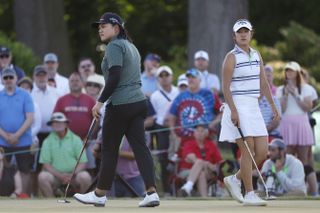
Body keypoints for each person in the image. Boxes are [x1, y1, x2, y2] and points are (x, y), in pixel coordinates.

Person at [73, 12, 159, 207]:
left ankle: (99, 194)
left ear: (116, 28)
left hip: (120, 104)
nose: (100, 29)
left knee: (109, 149)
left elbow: (114, 76)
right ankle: (151, 192)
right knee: (140, 148)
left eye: (104, 25)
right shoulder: (131, 47)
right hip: (138, 103)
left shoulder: (114, 46)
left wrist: (100, 101)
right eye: (99, 26)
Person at [219, 19, 279, 206]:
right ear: (234, 36)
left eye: (246, 31)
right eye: (240, 32)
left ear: (251, 34)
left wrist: (274, 107)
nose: (243, 34)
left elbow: (263, 83)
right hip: (237, 106)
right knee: (248, 150)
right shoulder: (231, 57)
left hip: (253, 107)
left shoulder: (256, 54)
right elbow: (225, 87)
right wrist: (234, 110)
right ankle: (250, 194)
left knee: (262, 152)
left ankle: (235, 179)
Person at [276, 61, 319, 196]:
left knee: (303, 159)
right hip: (287, 124)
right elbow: (281, 109)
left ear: (297, 73)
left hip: (301, 123)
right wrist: (286, 95)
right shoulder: (280, 89)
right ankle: (286, 187)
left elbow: (308, 107)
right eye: (287, 70)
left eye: (292, 71)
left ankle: (305, 188)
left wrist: (296, 94)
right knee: (286, 156)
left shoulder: (307, 88)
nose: (289, 73)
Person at [38, 112, 91, 197]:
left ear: (66, 124)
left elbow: (82, 162)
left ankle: (82, 200)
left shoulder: (76, 139)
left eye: (60, 122)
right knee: (42, 177)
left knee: (85, 177)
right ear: (51, 125)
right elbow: (46, 164)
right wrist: (60, 176)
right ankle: (51, 203)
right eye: (54, 122)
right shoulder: (47, 141)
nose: (57, 124)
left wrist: (72, 174)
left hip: (74, 175)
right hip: (55, 176)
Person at [0, 68, 35, 195]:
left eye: (11, 77)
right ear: (2, 80)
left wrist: (16, 135)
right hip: (2, 141)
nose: (8, 80)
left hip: (23, 140)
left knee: (24, 170)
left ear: (16, 79)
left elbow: (30, 118)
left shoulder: (25, 95)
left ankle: (23, 196)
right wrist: (6, 136)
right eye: (5, 78)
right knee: (2, 169)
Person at [150, 65, 179, 195]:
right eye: (161, 76)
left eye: (166, 75)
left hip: (177, 127)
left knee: (177, 156)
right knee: (163, 158)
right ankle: (167, 190)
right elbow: (154, 115)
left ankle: (177, 188)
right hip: (161, 128)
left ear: (171, 77)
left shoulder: (178, 92)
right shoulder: (154, 96)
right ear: (158, 79)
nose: (164, 78)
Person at [179, 124, 222, 197]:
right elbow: (191, 158)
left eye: (202, 131)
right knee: (200, 170)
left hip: (208, 172)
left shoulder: (211, 145)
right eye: (197, 131)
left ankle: (188, 187)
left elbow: (219, 163)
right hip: (188, 170)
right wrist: (207, 164)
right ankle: (204, 198)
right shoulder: (189, 143)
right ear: (194, 133)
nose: (199, 133)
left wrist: (211, 166)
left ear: (206, 133)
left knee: (200, 166)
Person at [54, 72, 96, 140]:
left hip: (87, 142)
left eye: (77, 80)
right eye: (72, 81)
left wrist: (89, 137)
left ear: (82, 83)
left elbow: (96, 121)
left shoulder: (90, 100)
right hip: (66, 140)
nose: (74, 83)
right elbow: (55, 120)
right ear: (68, 83)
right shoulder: (61, 100)